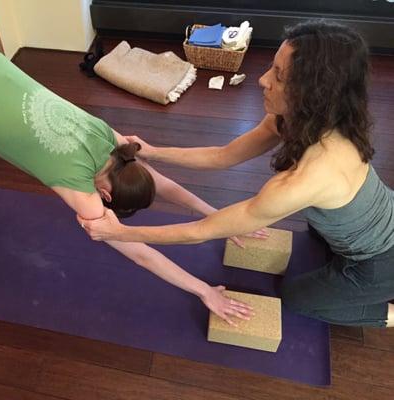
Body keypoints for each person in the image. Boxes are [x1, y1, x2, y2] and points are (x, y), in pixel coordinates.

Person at [0, 35, 266, 325]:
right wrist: (204, 290)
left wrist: (218, 217)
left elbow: (162, 182)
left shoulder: (114, 142)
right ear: (104, 194)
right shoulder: (78, 185)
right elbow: (137, 250)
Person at [80, 20, 394, 328]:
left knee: (295, 298)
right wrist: (152, 151)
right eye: (273, 68)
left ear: (314, 93)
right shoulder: (304, 118)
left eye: (279, 77)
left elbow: (202, 231)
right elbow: (222, 155)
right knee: (316, 242)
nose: (262, 80)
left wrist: (120, 233)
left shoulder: (309, 177)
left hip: (378, 262)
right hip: (363, 229)